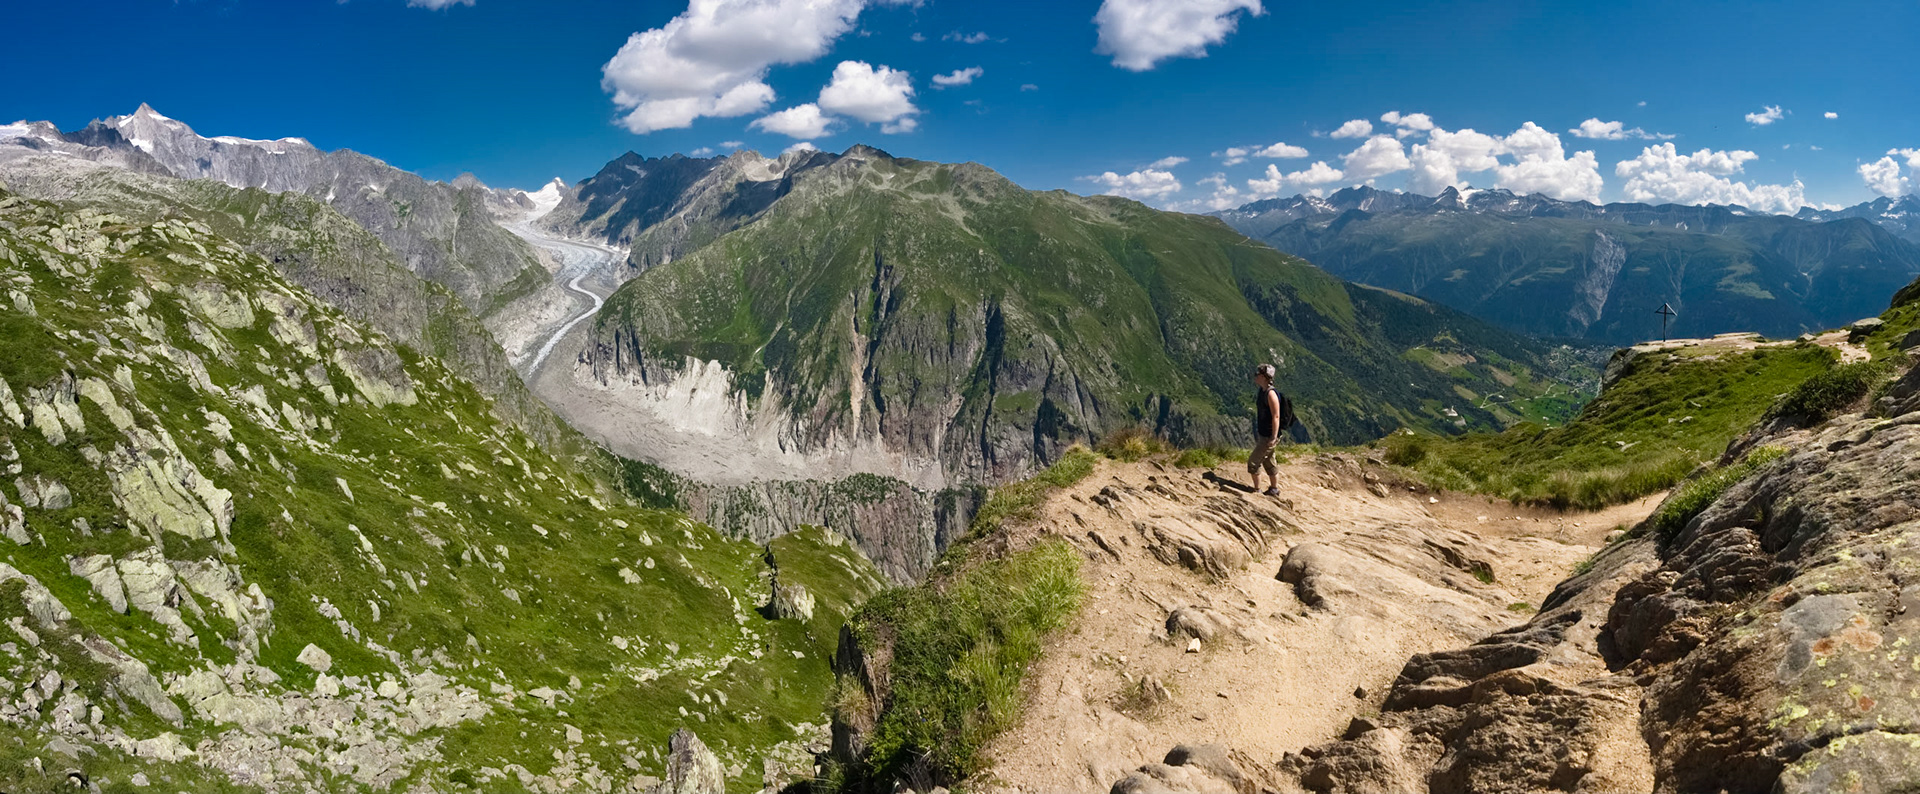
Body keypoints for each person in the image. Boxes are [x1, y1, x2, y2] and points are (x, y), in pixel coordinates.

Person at [1248, 364, 1292, 496]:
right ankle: (1274, 489)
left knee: (1253, 462)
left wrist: (1273, 437)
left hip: (1268, 436)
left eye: (1257, 374)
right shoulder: (1262, 391)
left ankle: (1257, 490)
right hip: (1265, 434)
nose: (1255, 376)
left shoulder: (1270, 394)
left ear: (1263, 377)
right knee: (1269, 460)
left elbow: (1276, 416)